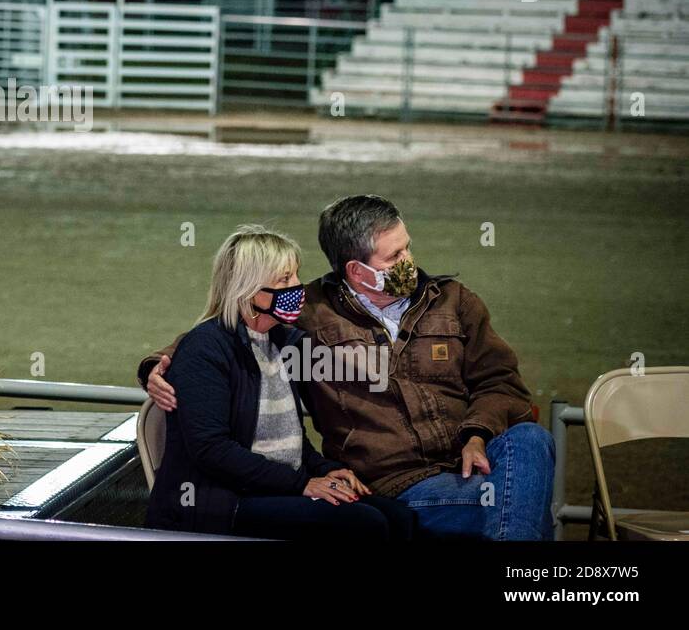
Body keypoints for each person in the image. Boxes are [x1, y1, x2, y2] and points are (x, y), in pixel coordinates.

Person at [140, 195, 555, 541]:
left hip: (466, 459)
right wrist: (155, 368)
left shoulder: (453, 300)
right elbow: (221, 332)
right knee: (521, 505)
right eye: (395, 255)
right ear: (357, 270)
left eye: (407, 246)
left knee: (531, 439)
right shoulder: (311, 313)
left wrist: (478, 434)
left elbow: (501, 381)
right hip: (397, 478)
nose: (410, 260)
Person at [145, 223, 416, 539]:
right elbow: (211, 450)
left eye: (296, 275)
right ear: (248, 291)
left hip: (269, 487)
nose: (299, 287)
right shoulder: (205, 349)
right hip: (218, 502)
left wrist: (324, 470)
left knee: (399, 517)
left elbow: (286, 439)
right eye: (285, 279)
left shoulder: (281, 342)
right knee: (365, 523)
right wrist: (302, 484)